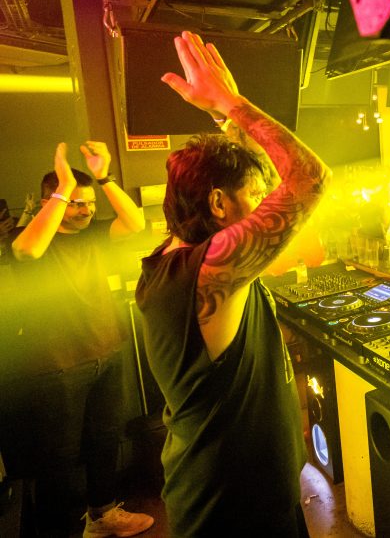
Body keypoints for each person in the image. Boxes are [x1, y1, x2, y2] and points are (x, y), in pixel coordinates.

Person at [134, 31, 330, 535]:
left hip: (252, 497)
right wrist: (232, 103)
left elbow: (267, 178)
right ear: (219, 203)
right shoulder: (207, 271)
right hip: (231, 512)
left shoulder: (181, 260)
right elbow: (310, 178)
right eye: (257, 196)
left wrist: (226, 121)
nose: (267, 203)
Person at [4, 141, 150, 537]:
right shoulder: (31, 236)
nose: (85, 210)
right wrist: (63, 186)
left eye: (89, 204)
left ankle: (103, 516)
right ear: (52, 201)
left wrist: (104, 176)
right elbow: (27, 251)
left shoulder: (94, 233)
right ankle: (62, 530)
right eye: (76, 203)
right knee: (59, 458)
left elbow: (135, 223)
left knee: (105, 440)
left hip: (107, 348)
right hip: (58, 365)